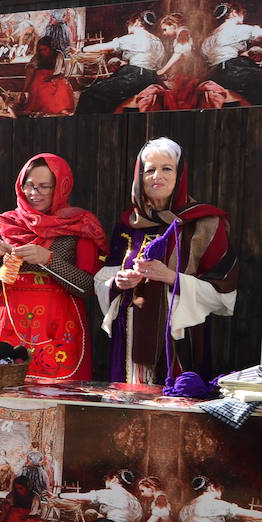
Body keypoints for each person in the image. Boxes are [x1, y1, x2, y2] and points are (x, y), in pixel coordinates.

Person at [94, 138, 238, 385]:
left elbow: (224, 294)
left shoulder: (206, 224)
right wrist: (118, 281)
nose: (156, 176)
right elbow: (103, 277)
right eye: (149, 170)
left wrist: (171, 277)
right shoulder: (128, 223)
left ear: (180, 174)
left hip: (182, 341)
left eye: (166, 168)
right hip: (128, 341)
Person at [0, 153, 107, 382]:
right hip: (7, 328)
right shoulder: (1, 226)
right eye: (29, 186)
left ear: (61, 187)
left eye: (44, 187)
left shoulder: (79, 226)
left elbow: (87, 288)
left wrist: (48, 260)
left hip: (57, 332)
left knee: (55, 402)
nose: (34, 193)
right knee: (5, 398)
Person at [74, 11, 166, 113]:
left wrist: (81, 50)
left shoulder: (134, 38)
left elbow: (103, 47)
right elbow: (158, 64)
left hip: (134, 77)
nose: (127, 28)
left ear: (137, 22)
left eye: (129, 24)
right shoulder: (158, 41)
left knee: (88, 95)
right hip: (152, 78)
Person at [201, 1, 262, 107]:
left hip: (214, 74)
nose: (243, 19)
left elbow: (210, 56)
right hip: (232, 70)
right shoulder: (236, 29)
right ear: (234, 13)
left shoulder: (209, 39)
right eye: (242, 14)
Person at [20, 36, 75, 115]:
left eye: (45, 49)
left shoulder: (59, 55)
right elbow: (30, 73)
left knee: (63, 86)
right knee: (42, 90)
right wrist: (24, 91)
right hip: (41, 78)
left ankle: (62, 108)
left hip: (56, 76)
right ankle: (48, 108)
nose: (43, 52)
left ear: (51, 48)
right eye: (41, 50)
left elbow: (60, 72)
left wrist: (53, 79)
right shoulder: (37, 57)